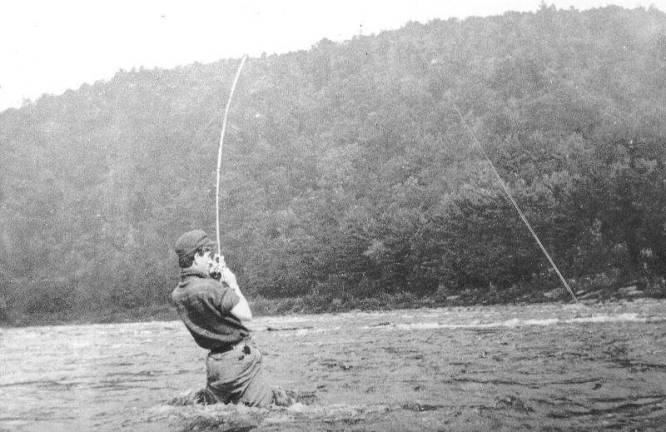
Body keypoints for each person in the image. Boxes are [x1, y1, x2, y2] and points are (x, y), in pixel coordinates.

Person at [171, 229, 291, 407]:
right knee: (267, 413)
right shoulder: (211, 288)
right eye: (207, 255)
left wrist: (213, 281)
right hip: (240, 360)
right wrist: (232, 283)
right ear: (196, 257)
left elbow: (207, 306)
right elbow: (246, 314)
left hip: (215, 365)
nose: (210, 259)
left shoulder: (177, 294)